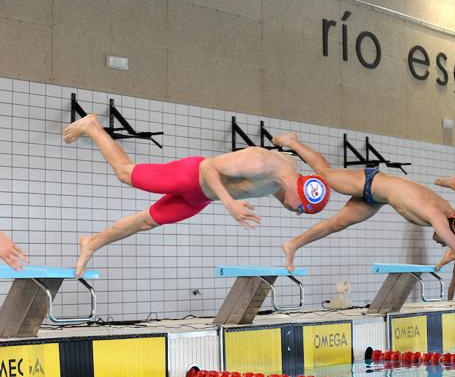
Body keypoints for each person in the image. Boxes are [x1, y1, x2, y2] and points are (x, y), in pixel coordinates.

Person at [63, 114, 330, 276]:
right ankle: (92, 126)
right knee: (124, 173)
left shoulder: (287, 180)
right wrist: (230, 204)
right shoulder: (259, 162)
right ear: (300, 191)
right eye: (300, 209)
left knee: (146, 221)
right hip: (190, 176)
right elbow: (208, 166)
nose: (295, 212)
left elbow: (322, 167)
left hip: (200, 198)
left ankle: (92, 243)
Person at [271, 132, 455, 290]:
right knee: (323, 172)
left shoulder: (453, 219)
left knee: (335, 224)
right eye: (442, 240)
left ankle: (292, 245)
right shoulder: (437, 215)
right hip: (371, 182)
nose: (440, 242)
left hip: (375, 199)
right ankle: (291, 141)